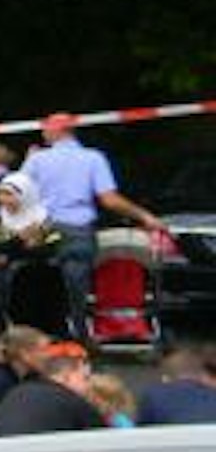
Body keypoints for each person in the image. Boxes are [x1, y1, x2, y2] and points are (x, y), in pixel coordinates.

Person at [18, 112, 167, 345]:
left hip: (43, 231)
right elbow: (109, 200)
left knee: (41, 286)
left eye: (45, 129)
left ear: (57, 131)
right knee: (78, 290)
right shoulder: (93, 158)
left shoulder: (37, 160)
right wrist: (145, 216)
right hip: (78, 231)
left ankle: (40, 341)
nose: (42, 133)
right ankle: (79, 340)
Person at [0, 341, 107, 439]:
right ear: (66, 376)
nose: (89, 385)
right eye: (85, 378)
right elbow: (104, 440)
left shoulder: (19, 391)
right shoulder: (72, 402)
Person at [135, 341, 216, 425]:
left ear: (165, 378)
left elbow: (142, 432)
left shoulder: (154, 396)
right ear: (201, 375)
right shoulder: (212, 394)